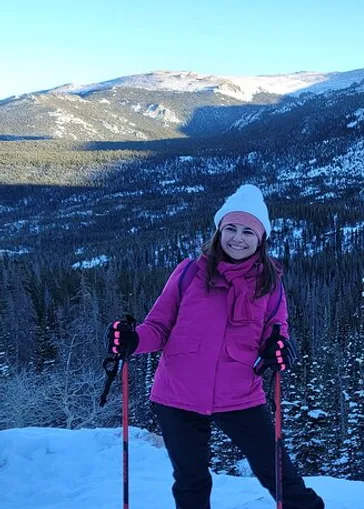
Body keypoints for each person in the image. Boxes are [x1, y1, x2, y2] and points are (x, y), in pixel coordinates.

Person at [105, 184, 325, 509]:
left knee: (280, 476)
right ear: (219, 231)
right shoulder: (188, 273)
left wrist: (277, 349)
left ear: (261, 239)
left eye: (248, 231)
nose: (237, 238)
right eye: (230, 228)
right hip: (177, 395)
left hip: (240, 395)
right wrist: (133, 340)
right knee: (191, 481)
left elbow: (277, 333)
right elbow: (158, 327)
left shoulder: (269, 284)